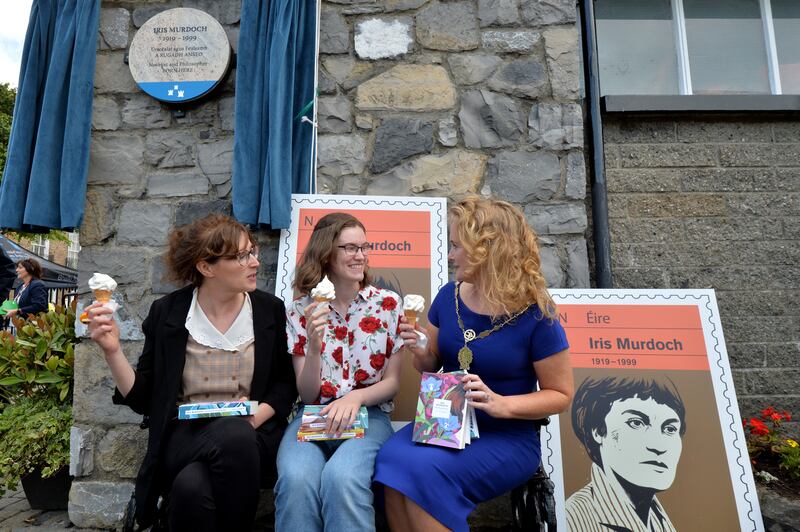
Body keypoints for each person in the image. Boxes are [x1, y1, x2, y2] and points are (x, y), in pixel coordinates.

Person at [374, 196, 574, 532]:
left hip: (507, 436)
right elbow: (429, 366)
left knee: (422, 473)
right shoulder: (447, 296)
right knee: (391, 461)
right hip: (446, 424)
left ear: (488, 250)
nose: (450, 255)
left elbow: (561, 395)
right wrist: (420, 348)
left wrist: (501, 404)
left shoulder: (537, 315)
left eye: (457, 246)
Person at [86, 214, 296, 531]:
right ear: (206, 267)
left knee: (191, 487)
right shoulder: (168, 312)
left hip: (253, 435)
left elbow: (285, 383)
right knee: (229, 439)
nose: (255, 262)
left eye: (252, 251)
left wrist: (255, 418)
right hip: (185, 436)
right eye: (242, 256)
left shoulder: (269, 309)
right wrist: (112, 351)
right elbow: (145, 398)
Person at [275, 212, 404, 532]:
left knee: (342, 478)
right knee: (296, 480)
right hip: (313, 415)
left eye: (364, 246)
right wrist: (315, 347)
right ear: (326, 253)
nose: (360, 255)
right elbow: (307, 394)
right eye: (349, 248)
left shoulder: (388, 304)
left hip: (369, 418)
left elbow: (393, 383)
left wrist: (357, 398)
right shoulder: (301, 310)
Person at [566, 375, 685, 532]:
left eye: (670, 429)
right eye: (636, 423)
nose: (658, 445)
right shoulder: (572, 519)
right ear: (597, 431)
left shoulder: (659, 520)